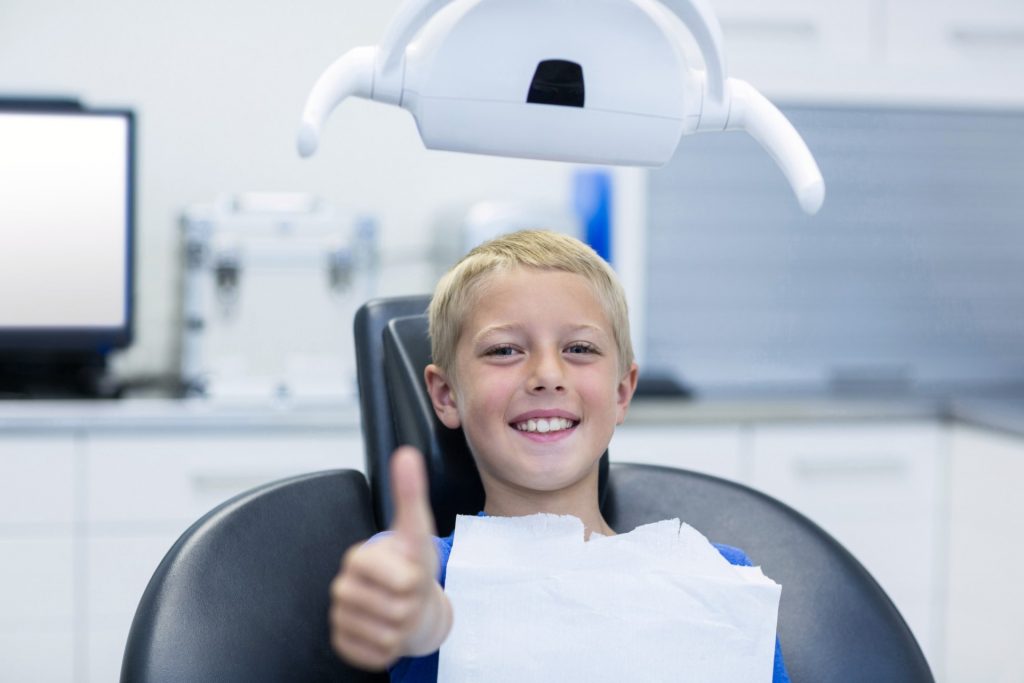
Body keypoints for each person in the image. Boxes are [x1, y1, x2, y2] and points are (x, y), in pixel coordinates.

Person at [329, 229, 790, 681]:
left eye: (579, 348)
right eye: (505, 350)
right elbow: (415, 611)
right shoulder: (432, 570)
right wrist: (410, 611)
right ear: (447, 395)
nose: (547, 374)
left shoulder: (722, 577)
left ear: (622, 392)